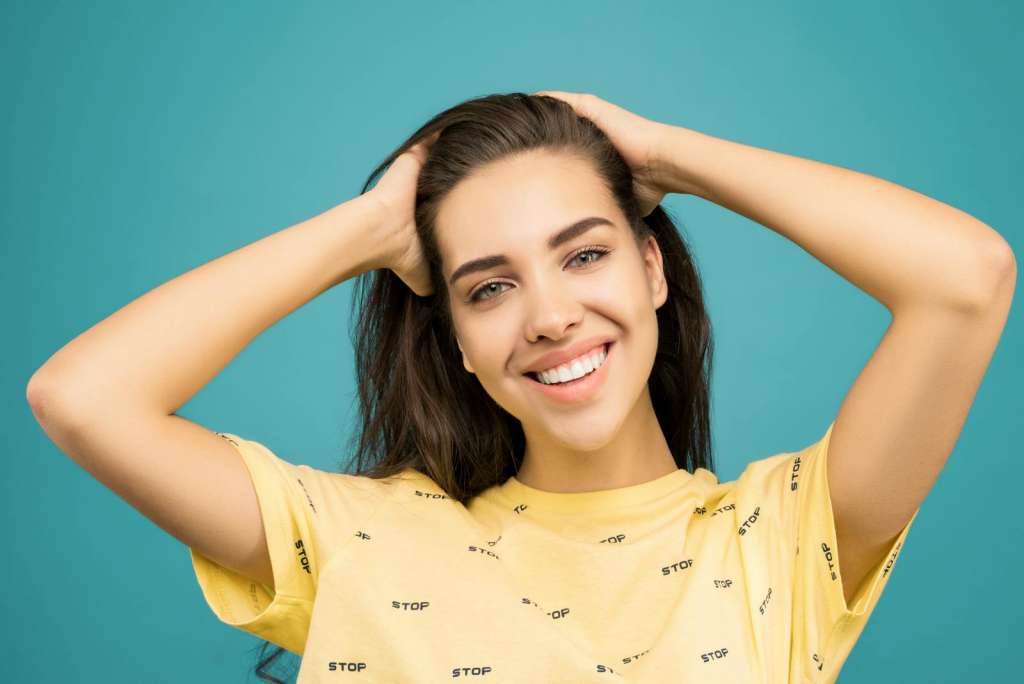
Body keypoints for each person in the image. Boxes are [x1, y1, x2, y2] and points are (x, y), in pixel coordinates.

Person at [26, 91, 1015, 683]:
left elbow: (966, 278)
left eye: (584, 255)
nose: (547, 316)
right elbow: (81, 397)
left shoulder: (789, 540)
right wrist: (368, 229)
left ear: (654, 271)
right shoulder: (350, 539)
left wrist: (664, 154)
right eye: (489, 287)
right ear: (455, 338)